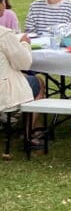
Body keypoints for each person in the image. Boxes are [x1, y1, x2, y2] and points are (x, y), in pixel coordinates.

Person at [1, 22, 44, 150]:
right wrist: (25, 43)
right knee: (38, 82)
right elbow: (24, 63)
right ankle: (29, 133)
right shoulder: (3, 34)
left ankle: (32, 127)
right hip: (3, 91)